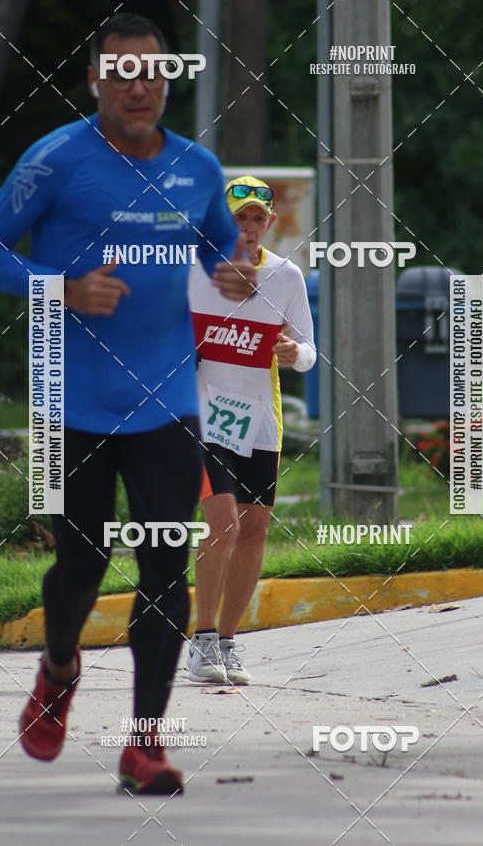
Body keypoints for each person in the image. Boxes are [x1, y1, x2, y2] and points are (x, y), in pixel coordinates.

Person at [0, 12, 256, 795]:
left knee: (166, 565)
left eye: (153, 72)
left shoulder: (198, 168)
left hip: (165, 401)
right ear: (94, 80)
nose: (139, 86)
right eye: (121, 72)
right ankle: (58, 669)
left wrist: (233, 270)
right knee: (81, 566)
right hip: (72, 402)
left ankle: (146, 743)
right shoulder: (55, 161)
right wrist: (61, 287)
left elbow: (221, 246)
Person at [187, 175, 316, 685]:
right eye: (238, 217)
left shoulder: (286, 277)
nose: (248, 226)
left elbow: (308, 351)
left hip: (262, 420)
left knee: (255, 530)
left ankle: (228, 643)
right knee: (225, 525)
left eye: (257, 217)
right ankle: (201, 643)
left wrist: (292, 353)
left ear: (270, 223)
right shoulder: (196, 275)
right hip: (202, 417)